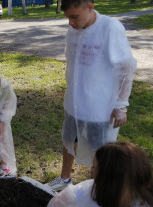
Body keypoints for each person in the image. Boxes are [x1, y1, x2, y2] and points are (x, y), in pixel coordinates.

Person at [47, 0, 137, 191]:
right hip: (74, 101)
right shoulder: (73, 31)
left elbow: (127, 69)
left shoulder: (109, 28)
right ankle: (64, 179)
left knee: (100, 152)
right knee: (69, 141)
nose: (70, 22)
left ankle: (97, 190)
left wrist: (121, 105)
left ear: (90, 6)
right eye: (67, 18)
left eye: (74, 16)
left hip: (99, 107)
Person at [25, 141, 153, 207]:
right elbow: (63, 200)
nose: (91, 171)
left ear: (110, 177)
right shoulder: (98, 189)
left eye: (95, 167)